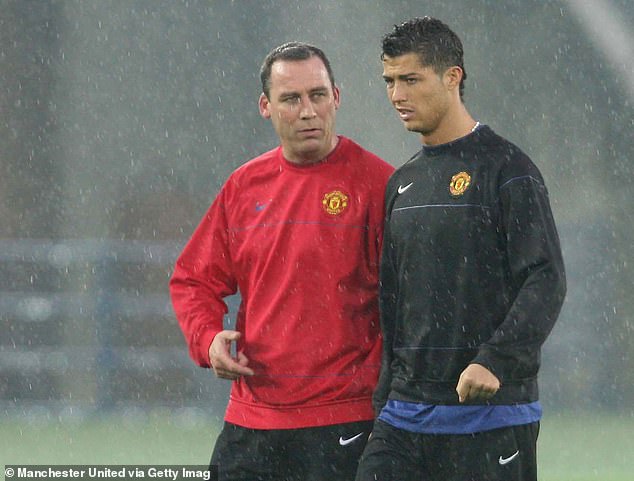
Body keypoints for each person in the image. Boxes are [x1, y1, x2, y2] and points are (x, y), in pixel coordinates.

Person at [169, 42, 394, 481]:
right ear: (265, 107)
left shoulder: (378, 184)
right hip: (251, 423)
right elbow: (193, 279)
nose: (308, 111)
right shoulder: (244, 186)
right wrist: (208, 338)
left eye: (318, 95)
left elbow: (409, 304)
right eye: (291, 99)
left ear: (337, 98)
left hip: (344, 421)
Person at [355, 17, 566, 481]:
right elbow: (393, 304)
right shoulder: (402, 183)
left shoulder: (508, 169)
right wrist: (383, 400)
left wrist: (496, 360)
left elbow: (546, 277)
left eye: (411, 79)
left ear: (453, 77)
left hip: (489, 416)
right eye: (389, 81)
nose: (396, 96)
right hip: (403, 417)